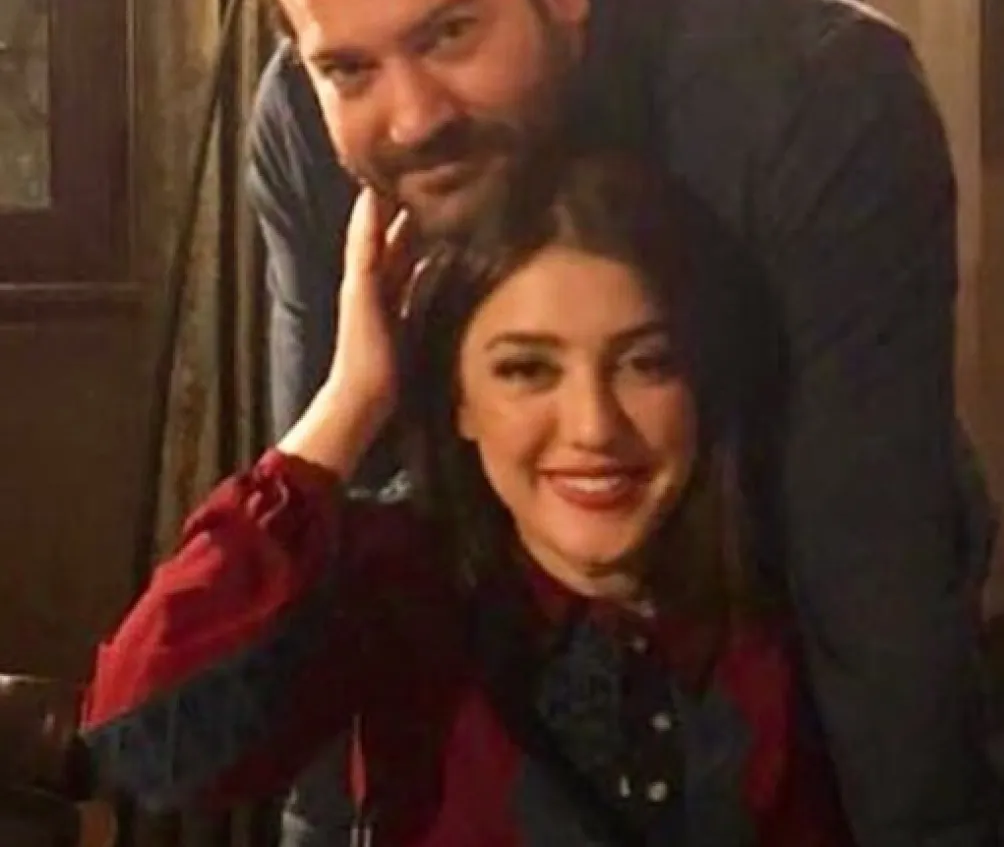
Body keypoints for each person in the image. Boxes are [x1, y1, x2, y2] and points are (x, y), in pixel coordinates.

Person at [245, 0, 999, 846]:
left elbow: (872, 563)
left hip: (778, 655)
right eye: (350, 69)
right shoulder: (303, 119)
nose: (413, 118)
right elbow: (332, 532)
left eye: (450, 33)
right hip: (490, 696)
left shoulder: (814, 92)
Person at [83, 150, 854, 846]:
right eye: (527, 369)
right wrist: (352, 399)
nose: (594, 426)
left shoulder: (796, 595)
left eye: (646, 363)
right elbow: (147, 742)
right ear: (458, 399)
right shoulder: (399, 580)